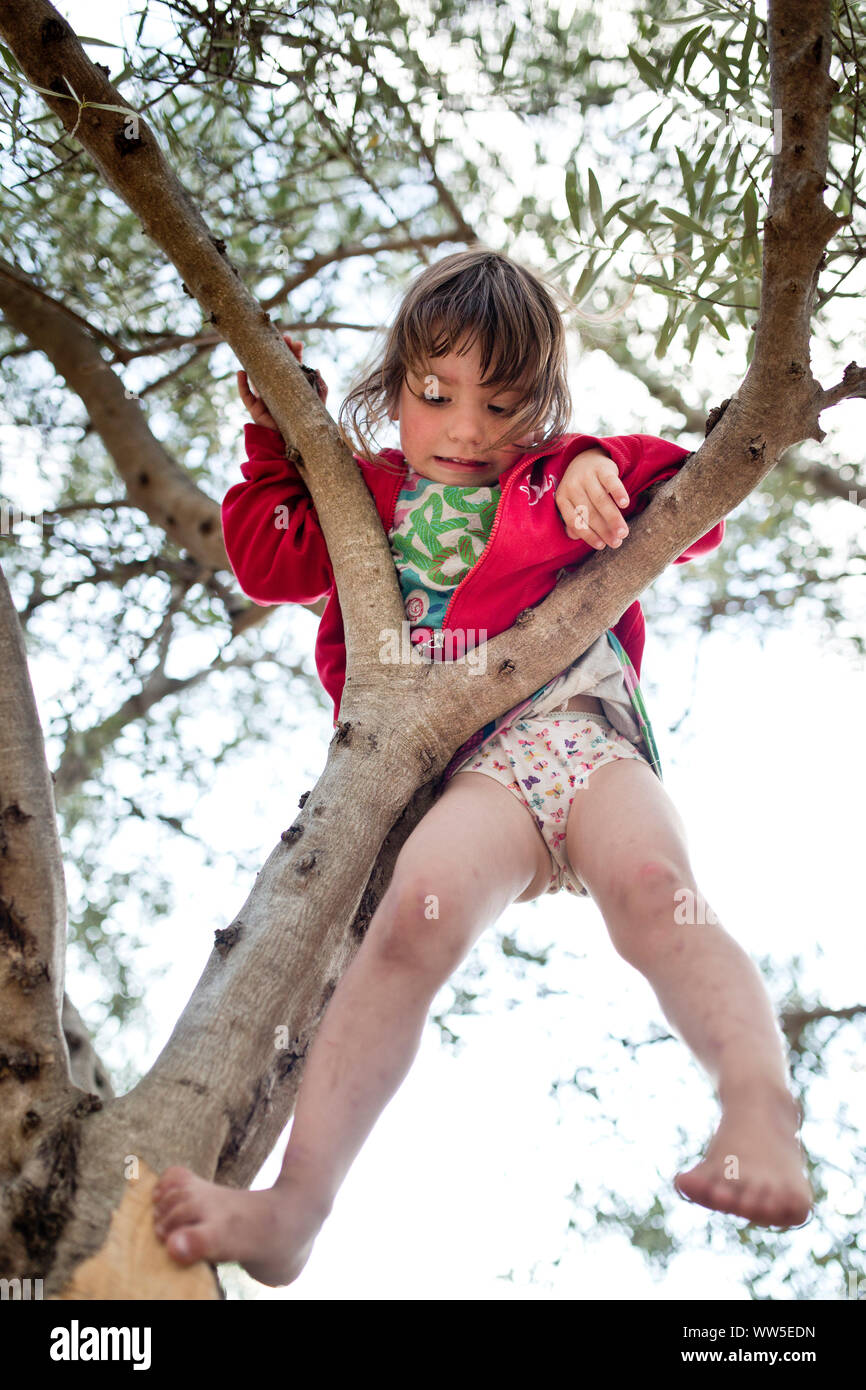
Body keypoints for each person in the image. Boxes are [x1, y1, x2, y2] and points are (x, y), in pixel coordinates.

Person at [152, 248, 812, 1287]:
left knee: (653, 891)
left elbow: (690, 500)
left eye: (501, 405)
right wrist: (277, 441)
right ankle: (293, 1207)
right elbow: (264, 557)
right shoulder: (361, 494)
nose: (465, 430)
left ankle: (756, 1103)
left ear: (540, 413)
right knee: (410, 921)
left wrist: (592, 465)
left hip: (582, 732)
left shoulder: (550, 475)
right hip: (471, 775)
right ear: (395, 387)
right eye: (435, 394)